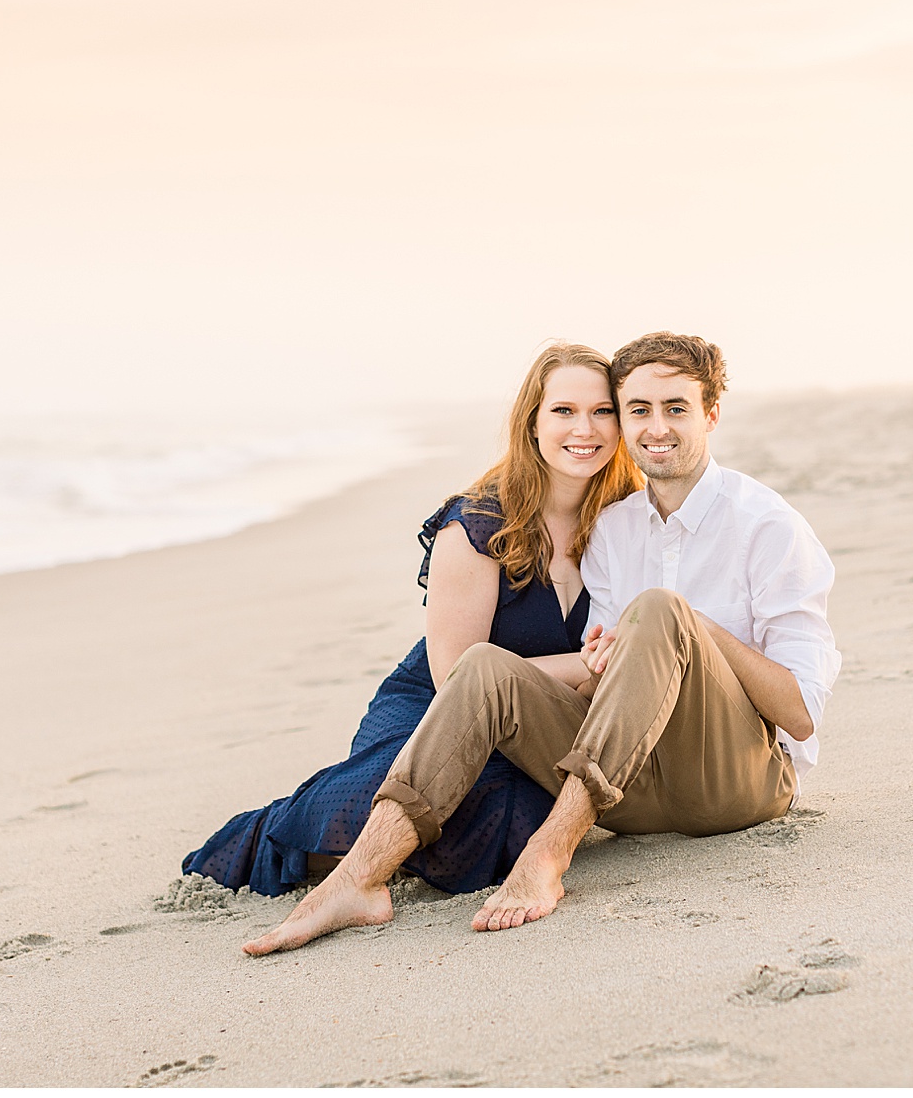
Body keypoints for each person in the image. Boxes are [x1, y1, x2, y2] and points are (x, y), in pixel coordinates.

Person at [243, 331, 839, 953]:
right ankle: (357, 881)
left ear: (711, 413)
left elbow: (798, 714)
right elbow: (599, 672)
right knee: (482, 667)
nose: (655, 427)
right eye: (638, 409)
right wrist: (620, 657)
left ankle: (548, 857)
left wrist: (694, 631)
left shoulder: (768, 527)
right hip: (628, 789)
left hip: (737, 784)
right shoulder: (613, 528)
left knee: (661, 611)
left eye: (676, 408)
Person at [182, 342, 642, 896]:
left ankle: (405, 857)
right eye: (563, 411)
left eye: (602, 411)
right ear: (532, 423)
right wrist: (589, 664)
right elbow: (456, 679)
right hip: (431, 709)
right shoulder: (476, 524)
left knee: (516, 819)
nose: (584, 429)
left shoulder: (626, 521)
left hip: (531, 729)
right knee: (409, 801)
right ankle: (274, 844)